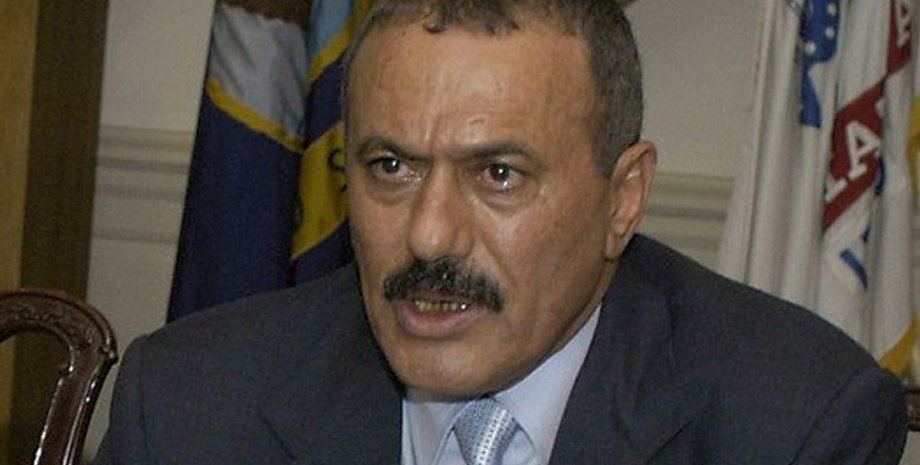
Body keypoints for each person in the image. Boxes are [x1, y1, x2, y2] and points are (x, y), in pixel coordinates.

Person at [93, 1, 907, 464]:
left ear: (623, 199)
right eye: (391, 166)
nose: (430, 236)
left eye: (499, 174)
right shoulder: (190, 406)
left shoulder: (791, 426)